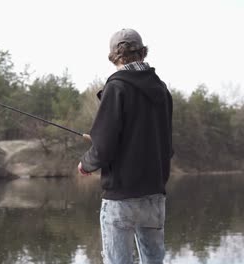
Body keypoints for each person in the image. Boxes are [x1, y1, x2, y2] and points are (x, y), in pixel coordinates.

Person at [78, 28, 173, 264]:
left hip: (121, 196)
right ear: (142, 52)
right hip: (155, 194)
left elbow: (104, 148)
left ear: (114, 56)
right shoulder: (162, 90)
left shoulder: (116, 87)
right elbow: (163, 143)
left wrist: (86, 163)